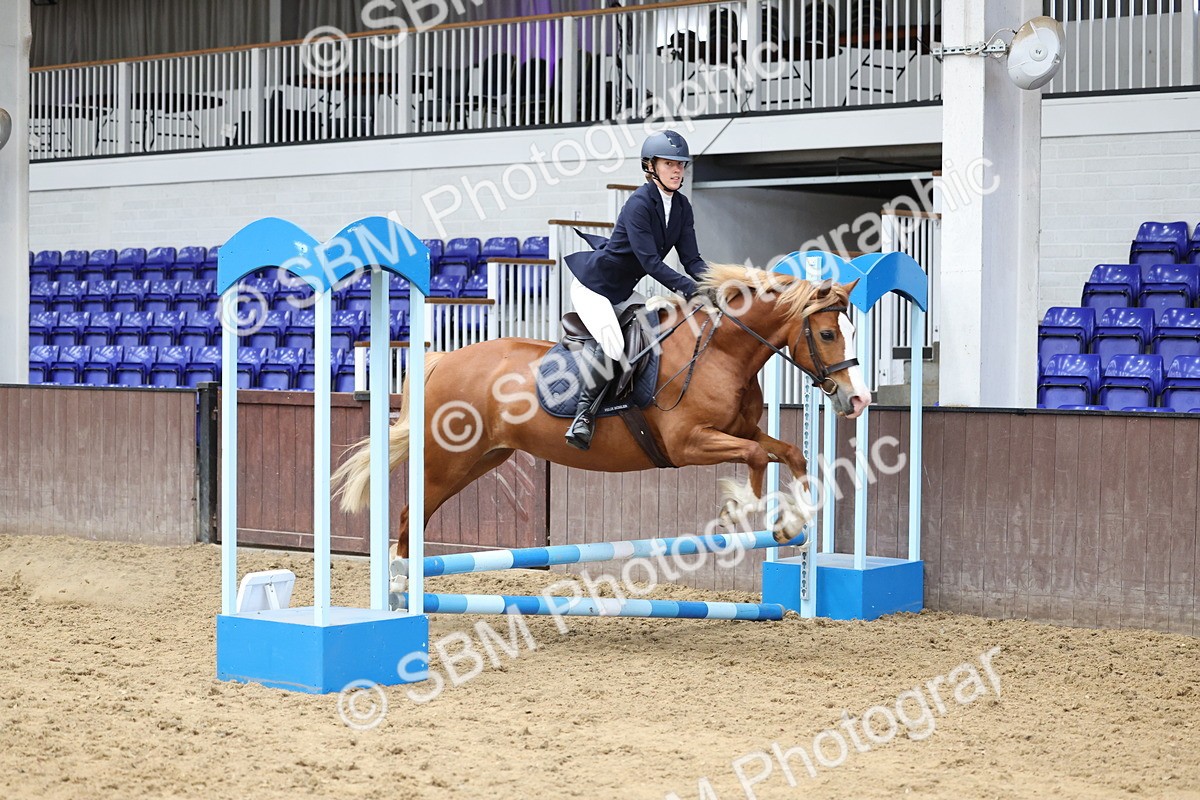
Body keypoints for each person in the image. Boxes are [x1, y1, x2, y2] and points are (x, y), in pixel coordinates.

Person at [562, 129, 709, 451]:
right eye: (669, 163)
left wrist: (716, 284)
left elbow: (692, 259)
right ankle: (582, 416)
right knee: (614, 347)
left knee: (653, 332)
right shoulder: (639, 203)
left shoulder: (682, 206)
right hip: (595, 288)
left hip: (624, 291)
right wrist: (690, 291)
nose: (677, 170)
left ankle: (629, 402)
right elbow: (652, 262)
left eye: (681, 165)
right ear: (650, 166)